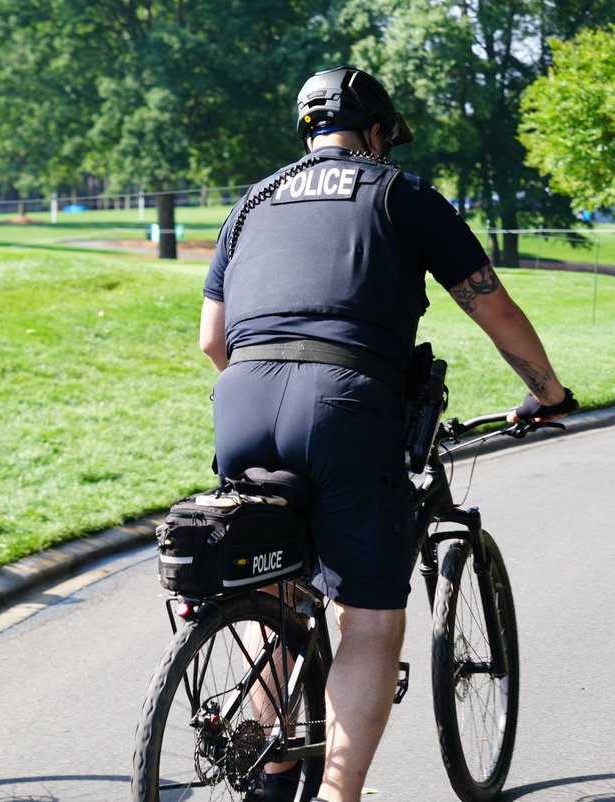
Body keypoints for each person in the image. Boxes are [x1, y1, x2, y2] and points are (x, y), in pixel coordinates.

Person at [198, 67, 577, 802]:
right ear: (375, 132)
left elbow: (213, 340)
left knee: (273, 591)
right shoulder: (401, 194)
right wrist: (548, 395)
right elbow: (494, 309)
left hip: (240, 400)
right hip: (344, 402)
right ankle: (339, 796)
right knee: (369, 619)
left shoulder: (252, 201)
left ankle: (273, 775)